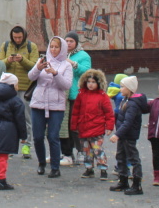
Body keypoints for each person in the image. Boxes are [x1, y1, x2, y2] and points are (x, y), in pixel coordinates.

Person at [27, 35, 73, 178]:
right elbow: (31, 77)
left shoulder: (66, 65)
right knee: (38, 136)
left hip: (56, 105)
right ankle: (41, 163)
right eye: (51, 47)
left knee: (53, 136)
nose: (53, 50)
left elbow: (66, 85)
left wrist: (55, 73)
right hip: (38, 103)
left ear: (62, 49)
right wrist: (37, 68)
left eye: (56, 47)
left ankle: (55, 167)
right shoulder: (43, 60)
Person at [0, 25, 39, 159]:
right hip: (8, 87)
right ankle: (10, 146)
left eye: (20, 37)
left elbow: (35, 67)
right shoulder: (6, 45)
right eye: (15, 37)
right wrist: (7, 60)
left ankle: (26, 146)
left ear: (24, 36)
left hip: (25, 87)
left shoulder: (32, 47)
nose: (18, 40)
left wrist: (22, 60)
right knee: (9, 118)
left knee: (26, 118)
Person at [0, 72, 28, 190]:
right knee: (3, 155)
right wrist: (23, 135)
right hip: (8, 129)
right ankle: (2, 180)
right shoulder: (16, 101)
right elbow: (20, 119)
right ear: (13, 85)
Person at [71, 69, 114, 181]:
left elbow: (109, 113)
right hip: (84, 128)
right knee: (86, 150)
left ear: (98, 83)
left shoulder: (102, 96)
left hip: (97, 128)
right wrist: (74, 125)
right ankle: (89, 168)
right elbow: (76, 111)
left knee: (97, 150)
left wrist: (109, 126)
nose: (90, 84)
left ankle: (103, 169)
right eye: (89, 81)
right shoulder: (81, 95)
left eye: (93, 82)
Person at [109, 75, 149, 195]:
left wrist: (117, 134)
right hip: (123, 134)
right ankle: (123, 180)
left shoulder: (132, 104)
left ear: (129, 88)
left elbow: (128, 122)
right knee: (120, 157)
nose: (120, 89)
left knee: (133, 158)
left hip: (129, 135)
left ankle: (137, 185)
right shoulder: (124, 100)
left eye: (122, 87)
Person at [61, 31, 91, 165]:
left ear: (76, 42)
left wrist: (73, 64)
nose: (68, 44)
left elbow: (86, 72)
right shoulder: (61, 54)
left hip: (76, 95)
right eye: (66, 41)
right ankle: (67, 153)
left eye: (71, 41)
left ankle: (81, 151)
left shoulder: (83, 55)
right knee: (64, 125)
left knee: (76, 125)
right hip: (63, 94)